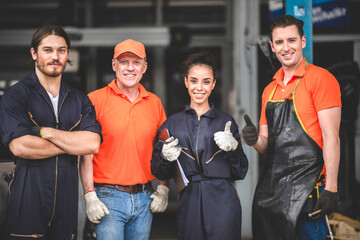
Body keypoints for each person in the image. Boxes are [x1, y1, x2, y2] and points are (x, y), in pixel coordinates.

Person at [242, 15, 341, 240]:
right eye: (279, 42)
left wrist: (331, 187)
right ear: (272, 47)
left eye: (291, 40)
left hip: (310, 190)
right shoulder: (270, 90)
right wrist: (253, 139)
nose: (286, 48)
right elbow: (266, 146)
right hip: (274, 192)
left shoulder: (321, 79)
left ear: (303, 41)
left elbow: (331, 136)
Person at [0, 25, 102, 239]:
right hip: (28, 190)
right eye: (47, 50)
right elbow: (20, 146)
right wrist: (72, 145)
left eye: (61, 50)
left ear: (68, 54)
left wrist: (45, 132)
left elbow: (91, 144)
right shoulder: (15, 96)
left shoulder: (79, 99)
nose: (55, 56)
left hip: (67, 196)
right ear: (34, 53)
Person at [151, 51, 249, 240]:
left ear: (213, 84)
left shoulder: (225, 122)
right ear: (186, 81)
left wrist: (234, 148)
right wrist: (164, 157)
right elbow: (160, 172)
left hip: (223, 199)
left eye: (206, 81)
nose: (199, 87)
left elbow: (240, 171)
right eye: (194, 81)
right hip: (189, 198)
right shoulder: (172, 124)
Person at [79, 39, 169, 240]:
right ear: (114, 65)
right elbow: (85, 152)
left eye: (136, 62)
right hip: (108, 198)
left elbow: (164, 150)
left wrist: (163, 187)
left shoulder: (154, 103)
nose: (130, 68)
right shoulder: (95, 100)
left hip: (145, 197)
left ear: (144, 67)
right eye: (124, 62)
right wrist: (89, 195)